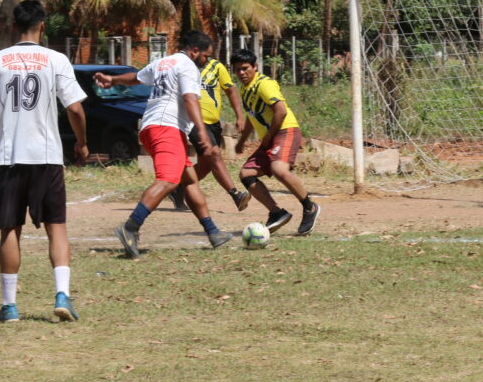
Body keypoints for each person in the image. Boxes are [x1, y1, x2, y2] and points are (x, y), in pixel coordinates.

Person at [0, 0, 89, 323]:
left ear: (13, 26)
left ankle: (9, 306)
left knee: (10, 229)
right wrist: (81, 142)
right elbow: (75, 108)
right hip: (47, 156)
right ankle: (62, 294)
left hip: (9, 156)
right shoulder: (55, 59)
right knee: (57, 227)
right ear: (42, 26)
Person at [95, 32, 232, 258]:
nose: (206, 61)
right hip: (166, 127)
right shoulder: (188, 66)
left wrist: (113, 80)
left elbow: (136, 77)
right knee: (168, 181)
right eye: (205, 56)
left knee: (189, 180)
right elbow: (190, 99)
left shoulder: (163, 62)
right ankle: (130, 227)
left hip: (152, 126)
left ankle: (213, 232)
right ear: (194, 51)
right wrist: (202, 133)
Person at [232, 49, 321, 235]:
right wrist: (241, 141)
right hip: (271, 136)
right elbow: (251, 117)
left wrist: (268, 137)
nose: (241, 73)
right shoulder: (244, 89)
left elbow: (280, 111)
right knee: (246, 174)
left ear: (255, 67)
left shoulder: (264, 84)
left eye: (245, 68)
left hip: (285, 130)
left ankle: (309, 207)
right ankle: (276, 213)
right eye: (237, 69)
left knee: (279, 169)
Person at [166, 32, 250, 212]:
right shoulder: (182, 67)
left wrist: (239, 115)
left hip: (213, 123)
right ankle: (235, 194)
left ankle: (177, 188)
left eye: (208, 55)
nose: (206, 58)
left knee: (206, 164)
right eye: (205, 54)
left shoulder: (216, 67)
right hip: (193, 122)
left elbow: (231, 91)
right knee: (214, 154)